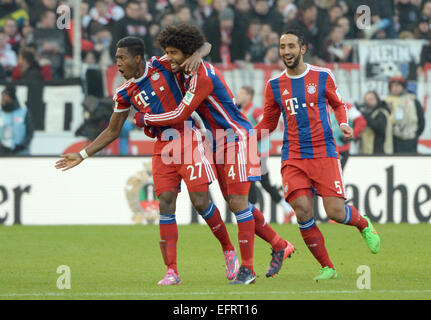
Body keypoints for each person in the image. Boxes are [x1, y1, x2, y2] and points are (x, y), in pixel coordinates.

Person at [55, 36, 240, 286]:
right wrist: (83, 154)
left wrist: (198, 55)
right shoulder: (124, 92)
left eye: (122, 58)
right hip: (163, 145)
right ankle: (171, 271)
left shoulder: (162, 64)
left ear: (138, 58)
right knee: (165, 203)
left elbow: (203, 45)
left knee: (200, 201)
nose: (118, 63)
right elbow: (112, 130)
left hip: (188, 136)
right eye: (116, 58)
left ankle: (228, 249)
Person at [134, 23, 295, 285]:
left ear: (186, 51)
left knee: (239, 205)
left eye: (174, 52)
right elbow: (201, 46)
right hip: (218, 142)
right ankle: (279, 244)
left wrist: (144, 118)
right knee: (234, 204)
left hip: (237, 138)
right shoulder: (186, 66)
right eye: (168, 52)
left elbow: (181, 114)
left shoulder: (201, 76)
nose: (169, 57)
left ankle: (248, 270)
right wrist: (199, 51)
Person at [254, 28, 381, 281]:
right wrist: (242, 136)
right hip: (293, 156)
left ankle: (363, 223)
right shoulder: (275, 85)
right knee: (302, 210)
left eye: (291, 46)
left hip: (324, 152)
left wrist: (343, 122)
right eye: (282, 47)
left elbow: (337, 104)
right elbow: (268, 123)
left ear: (303, 48)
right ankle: (328, 267)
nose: (286, 52)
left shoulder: (322, 76)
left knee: (334, 211)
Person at [235, 85, 295, 223]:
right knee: (264, 182)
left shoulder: (255, 111)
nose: (238, 95)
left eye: (242, 93)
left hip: (257, 153)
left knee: (251, 181)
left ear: (249, 96)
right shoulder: (242, 110)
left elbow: (266, 125)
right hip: (250, 152)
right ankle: (287, 209)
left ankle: (255, 215)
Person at [385, 76, 425, 154]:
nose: (395, 88)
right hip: (395, 139)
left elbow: (421, 120)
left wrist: (415, 134)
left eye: (398, 85)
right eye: (393, 86)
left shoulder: (413, 100)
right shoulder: (386, 102)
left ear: (403, 87)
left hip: (411, 138)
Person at [329, 102, 366, 169]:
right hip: (325, 149)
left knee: (339, 174)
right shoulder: (318, 107)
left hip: (342, 148)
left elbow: (361, 122)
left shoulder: (346, 107)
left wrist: (351, 135)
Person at [0, 85, 34, 155]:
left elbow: (30, 132)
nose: (2, 99)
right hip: (2, 153)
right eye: (2, 96)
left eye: (5, 96)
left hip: (21, 152)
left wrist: (22, 146)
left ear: (11, 98)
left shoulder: (23, 112)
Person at [358, 91, 393, 155]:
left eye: (371, 99)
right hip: (368, 149)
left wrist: (365, 116)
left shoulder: (381, 112)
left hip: (379, 149)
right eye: (366, 100)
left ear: (377, 99)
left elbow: (380, 128)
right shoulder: (369, 113)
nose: (368, 102)